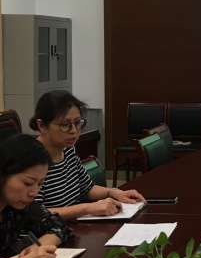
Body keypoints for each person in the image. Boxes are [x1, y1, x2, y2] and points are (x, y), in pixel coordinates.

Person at [31, 90, 145, 220]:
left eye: (77, 123)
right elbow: (36, 213)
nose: (74, 131)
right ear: (42, 126)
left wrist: (114, 193)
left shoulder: (68, 150)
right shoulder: (32, 159)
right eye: (65, 125)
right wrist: (86, 208)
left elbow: (86, 188)